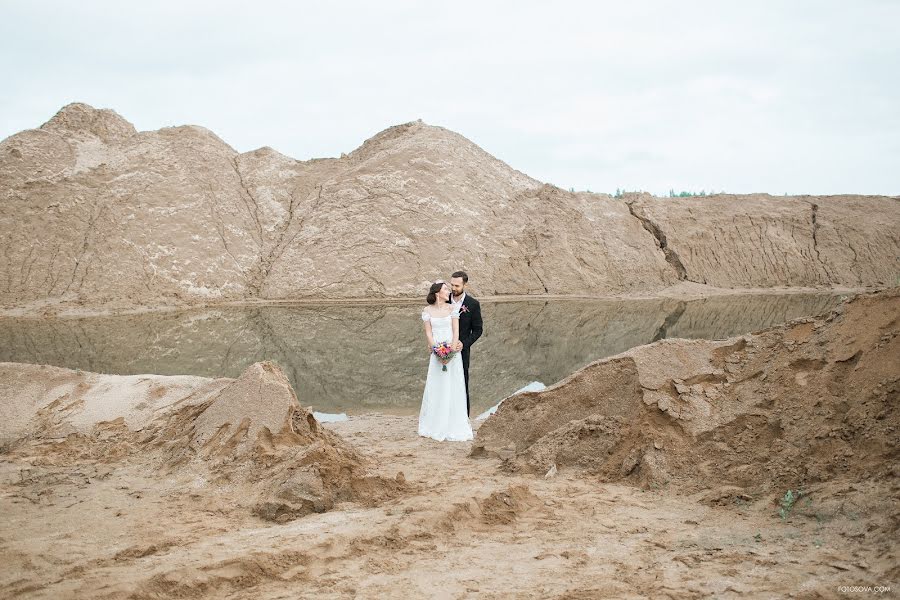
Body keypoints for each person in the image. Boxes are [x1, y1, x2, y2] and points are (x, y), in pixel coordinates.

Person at [418, 281, 473, 442]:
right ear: (437, 293)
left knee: (453, 385)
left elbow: (456, 331)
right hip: (436, 353)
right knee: (437, 385)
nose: (448, 291)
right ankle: (435, 423)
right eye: (445, 289)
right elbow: (429, 333)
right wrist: (436, 351)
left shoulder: (452, 309)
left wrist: (451, 350)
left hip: (452, 351)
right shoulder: (427, 311)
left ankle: (453, 423)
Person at [448, 271, 483, 416]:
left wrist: (464, 344)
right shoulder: (443, 299)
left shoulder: (473, 304)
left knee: (462, 383)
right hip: (442, 349)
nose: (453, 288)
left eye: (457, 285)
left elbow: (478, 330)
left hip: (462, 351)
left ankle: (463, 417)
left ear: (465, 285)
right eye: (452, 285)